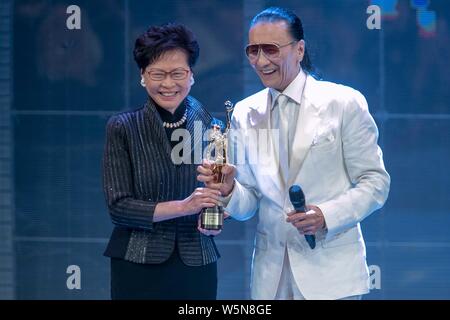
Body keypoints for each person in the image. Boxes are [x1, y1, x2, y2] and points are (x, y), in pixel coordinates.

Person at [197, 7, 390, 300]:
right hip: (270, 277)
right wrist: (229, 190)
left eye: (271, 49)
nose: (261, 61)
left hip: (330, 274)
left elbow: (375, 183)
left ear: (299, 49)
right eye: (253, 51)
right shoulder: (244, 112)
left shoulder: (343, 102)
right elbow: (249, 202)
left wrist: (325, 215)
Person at [102, 23, 222, 300]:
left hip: (197, 261)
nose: (168, 84)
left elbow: (221, 194)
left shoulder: (212, 129)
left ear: (191, 75)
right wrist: (184, 206)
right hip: (137, 262)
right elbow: (119, 208)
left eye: (178, 73)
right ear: (143, 76)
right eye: (158, 74)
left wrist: (222, 205)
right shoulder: (123, 127)